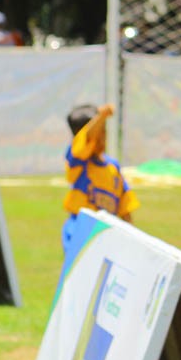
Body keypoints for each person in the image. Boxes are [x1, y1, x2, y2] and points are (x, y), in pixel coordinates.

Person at [62, 103, 140, 257]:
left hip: (107, 235)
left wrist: (133, 240)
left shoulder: (112, 167)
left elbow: (125, 207)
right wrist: (101, 116)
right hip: (80, 232)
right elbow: (86, 138)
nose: (102, 135)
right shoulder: (77, 163)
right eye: (99, 130)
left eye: (103, 130)